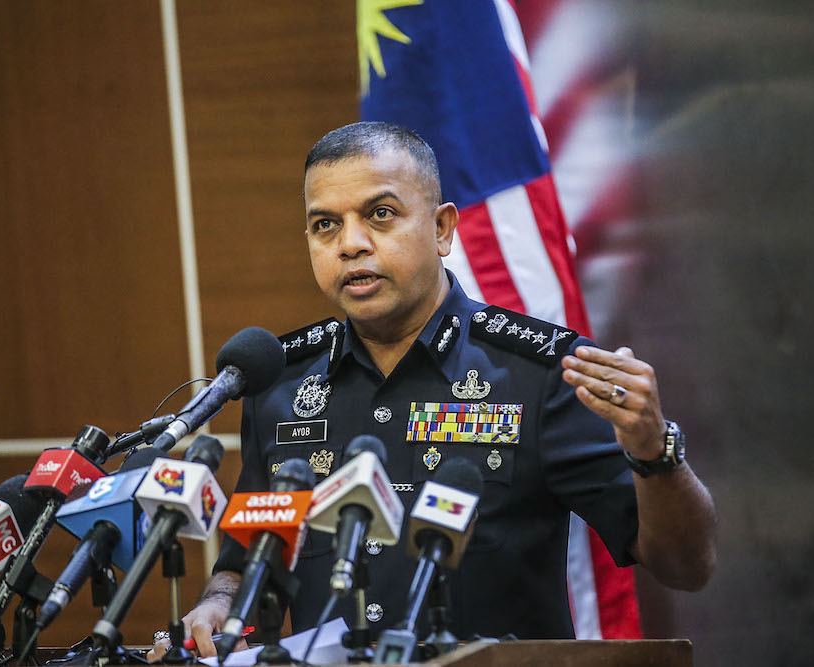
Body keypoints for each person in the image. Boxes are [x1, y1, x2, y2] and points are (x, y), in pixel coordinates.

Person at [150, 122, 716, 659]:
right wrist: (220, 600)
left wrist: (653, 449)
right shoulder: (280, 384)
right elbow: (251, 551)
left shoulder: (540, 375)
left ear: (442, 229)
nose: (350, 244)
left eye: (380, 214)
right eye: (325, 225)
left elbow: (685, 566)